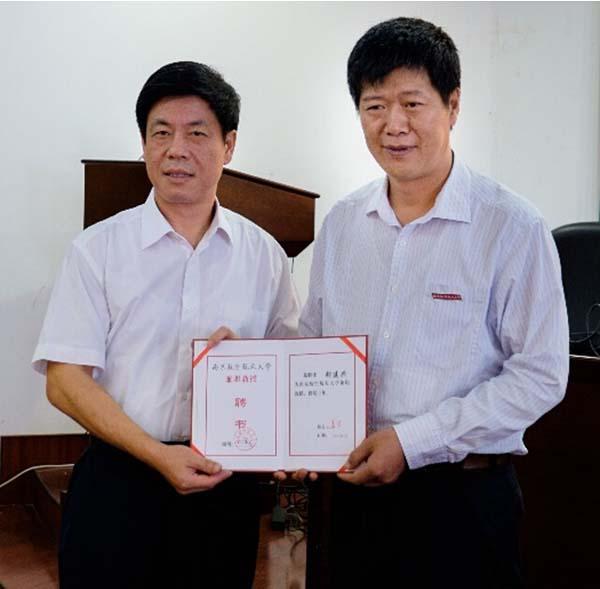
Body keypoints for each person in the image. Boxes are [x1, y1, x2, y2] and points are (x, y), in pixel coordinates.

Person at [297, 17, 569, 588]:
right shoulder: (342, 223)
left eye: (412, 104)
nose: (393, 125)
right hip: (352, 498)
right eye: (374, 107)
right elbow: (314, 346)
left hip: (461, 502)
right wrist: (257, 380)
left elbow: (541, 374)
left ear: (453, 105)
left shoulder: (511, 226)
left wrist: (413, 442)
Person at [32, 61, 299, 589]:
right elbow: (64, 381)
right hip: (119, 481)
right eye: (161, 133)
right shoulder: (97, 250)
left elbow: (289, 372)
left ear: (229, 145)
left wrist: (252, 363)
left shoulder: (264, 255)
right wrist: (158, 456)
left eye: (197, 133)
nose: (176, 149)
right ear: (144, 144)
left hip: (224, 486)